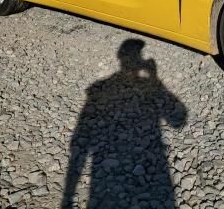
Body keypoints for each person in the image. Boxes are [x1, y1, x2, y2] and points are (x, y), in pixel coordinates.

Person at [61, 39, 187, 209]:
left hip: (101, 180)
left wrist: (67, 197)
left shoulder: (97, 90)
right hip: (154, 168)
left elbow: (78, 144)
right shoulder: (104, 89)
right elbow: (178, 121)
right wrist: (155, 79)